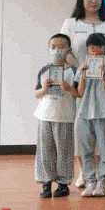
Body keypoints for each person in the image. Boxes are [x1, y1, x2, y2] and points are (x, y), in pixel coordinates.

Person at [60, 0, 105, 189]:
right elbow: (65, 50)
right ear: (82, 0)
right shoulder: (71, 23)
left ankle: (100, 175)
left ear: (102, 1)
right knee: (82, 130)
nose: (93, 1)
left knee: (103, 132)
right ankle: (84, 173)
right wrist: (82, 69)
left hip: (104, 82)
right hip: (81, 81)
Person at [34, 33, 79, 198]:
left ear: (69, 50)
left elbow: (78, 93)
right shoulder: (44, 70)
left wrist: (69, 89)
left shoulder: (74, 71)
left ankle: (63, 184)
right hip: (45, 116)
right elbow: (36, 94)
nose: (57, 50)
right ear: (48, 49)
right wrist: (44, 89)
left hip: (65, 116)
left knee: (64, 152)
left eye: (61, 47)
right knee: (45, 151)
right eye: (53, 47)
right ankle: (45, 184)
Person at [75, 33, 105, 197]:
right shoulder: (82, 67)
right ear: (87, 49)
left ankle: (102, 182)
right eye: (92, 48)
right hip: (84, 113)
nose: (95, 51)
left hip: (104, 113)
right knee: (86, 151)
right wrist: (82, 75)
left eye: (99, 47)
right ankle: (90, 182)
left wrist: (104, 75)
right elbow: (79, 93)